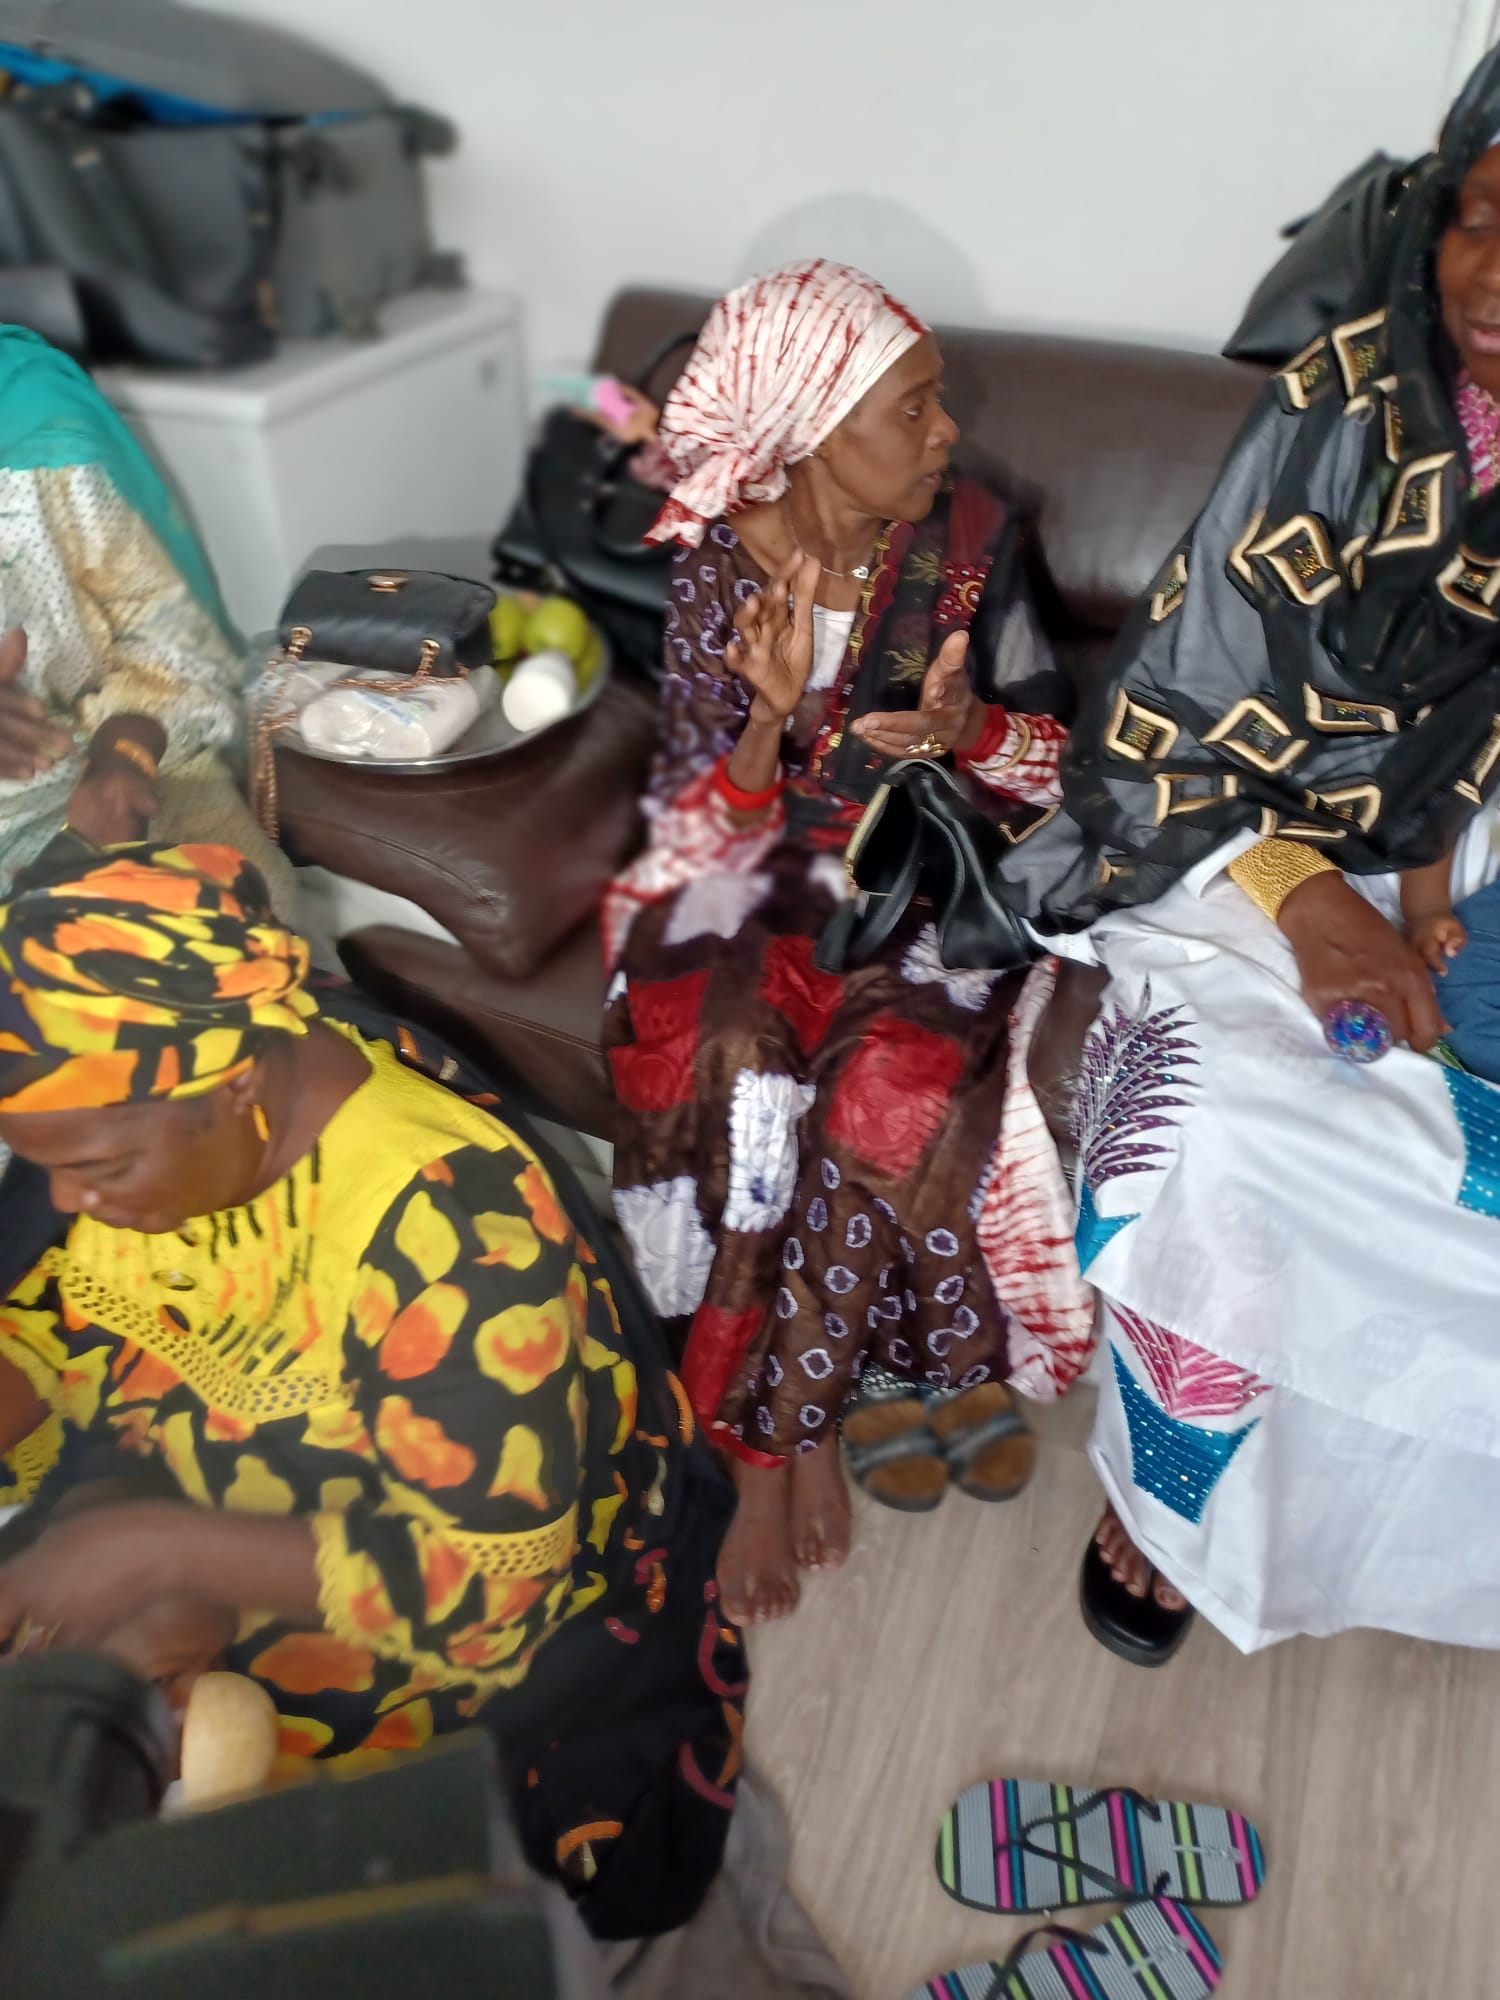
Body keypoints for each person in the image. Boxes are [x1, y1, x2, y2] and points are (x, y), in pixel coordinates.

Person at [0, 837, 745, 1940]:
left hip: (452, 1593)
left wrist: (153, 1553)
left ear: (237, 1089)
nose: (68, 1200)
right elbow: (64, 1317)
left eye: (96, 1170)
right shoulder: (151, 1111)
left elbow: (484, 1596)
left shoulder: (463, 1239)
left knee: (196, 1863)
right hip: (208, 1496)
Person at [993, 48, 1500, 1660]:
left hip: (1464, 841)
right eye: (1484, 216)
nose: (1499, 277)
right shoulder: (1341, 412)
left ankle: (1380, 1526)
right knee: (1224, 1134)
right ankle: (1175, 1503)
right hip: (1223, 840)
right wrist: (1318, 903)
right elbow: (1169, 721)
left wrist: (1433, 892)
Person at [602, 261, 1093, 1627]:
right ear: (812, 428)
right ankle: (766, 1422)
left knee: (887, 1083)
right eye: (914, 409)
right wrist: (769, 717)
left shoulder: (970, 541)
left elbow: (1064, 767)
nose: (948, 432)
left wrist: (965, 730)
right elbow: (703, 813)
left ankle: (781, 1437)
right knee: (735, 1061)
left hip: (926, 879)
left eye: (937, 402)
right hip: (753, 874)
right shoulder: (719, 561)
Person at [0, 322, 291, 912]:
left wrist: (122, 756)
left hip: (101, 773)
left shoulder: (34, 420)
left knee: (234, 918)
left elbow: (173, 651)